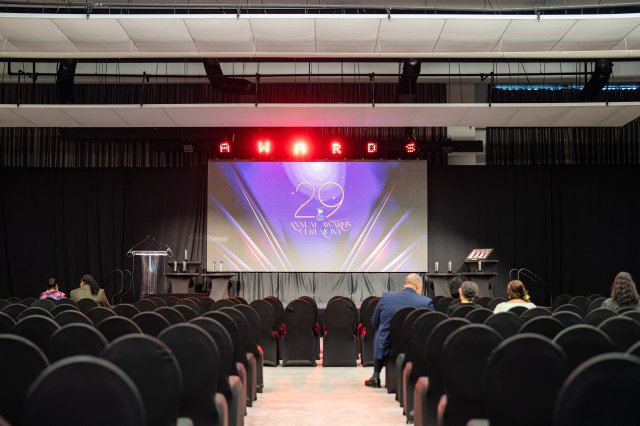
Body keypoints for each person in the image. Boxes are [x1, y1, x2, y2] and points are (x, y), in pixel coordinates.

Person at [364, 273, 434, 388]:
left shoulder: (386, 297)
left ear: (405, 284)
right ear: (418, 285)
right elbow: (430, 327)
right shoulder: (426, 302)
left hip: (387, 346)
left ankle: (376, 376)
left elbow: (374, 322)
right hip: (415, 346)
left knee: (381, 332)